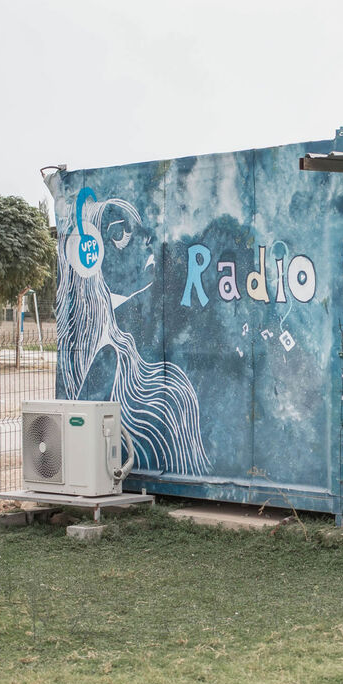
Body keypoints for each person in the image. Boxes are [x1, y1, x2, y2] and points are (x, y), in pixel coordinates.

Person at [57, 186, 210, 475]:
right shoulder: (107, 353)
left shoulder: (117, 333)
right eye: (122, 234)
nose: (147, 237)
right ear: (95, 258)